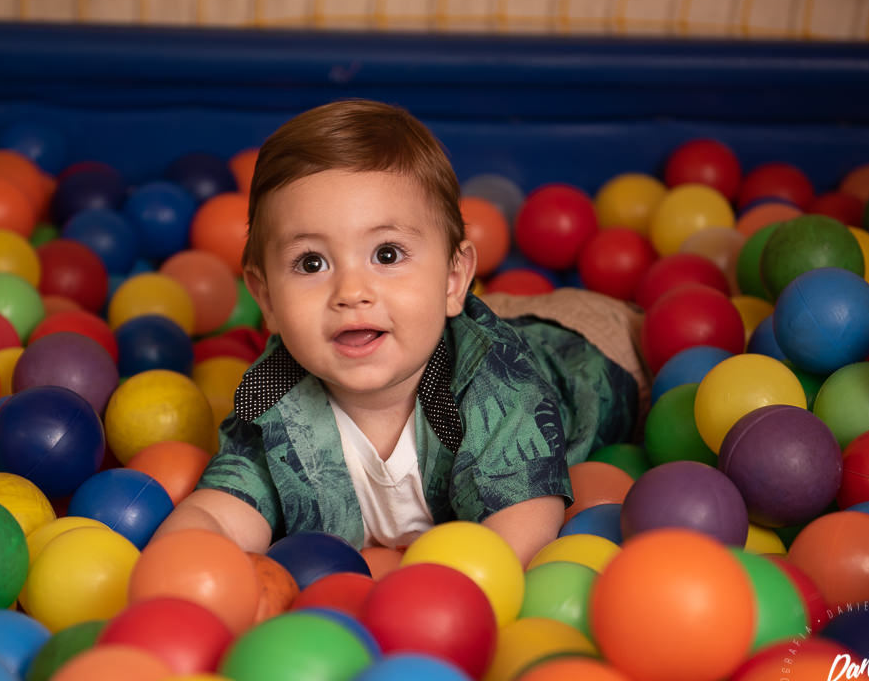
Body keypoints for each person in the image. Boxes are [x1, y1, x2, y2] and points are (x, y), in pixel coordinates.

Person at [154, 99, 642, 564]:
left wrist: (435, 602)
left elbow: (524, 524)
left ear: (454, 279)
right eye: (312, 262)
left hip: (583, 342)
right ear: (266, 300)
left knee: (635, 337)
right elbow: (220, 509)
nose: (351, 291)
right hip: (432, 318)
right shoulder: (272, 399)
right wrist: (178, 566)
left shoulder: (494, 388)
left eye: (386, 255)